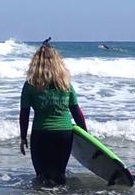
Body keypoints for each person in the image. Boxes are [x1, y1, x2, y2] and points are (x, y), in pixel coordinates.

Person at [19, 41, 86, 186]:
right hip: (64, 134)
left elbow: (24, 113)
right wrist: (85, 136)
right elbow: (77, 112)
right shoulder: (65, 84)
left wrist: (23, 137)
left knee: (41, 177)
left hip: (41, 134)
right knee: (60, 176)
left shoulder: (30, 85)